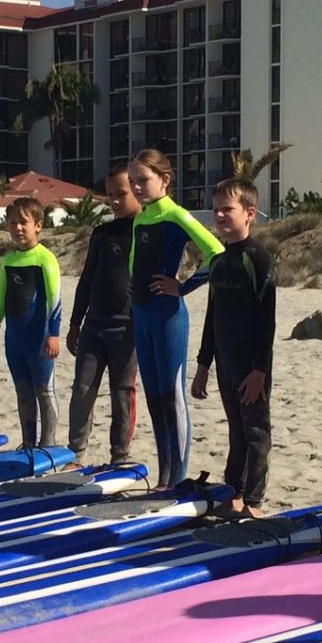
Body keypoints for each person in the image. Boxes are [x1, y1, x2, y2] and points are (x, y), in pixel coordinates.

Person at [127, 148, 224, 487]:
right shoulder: (141, 218)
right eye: (133, 182)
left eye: (143, 180)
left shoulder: (176, 215)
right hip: (143, 316)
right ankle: (165, 476)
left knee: (172, 396)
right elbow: (134, 266)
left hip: (168, 317)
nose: (137, 187)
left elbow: (217, 254)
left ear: (164, 180)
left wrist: (182, 287)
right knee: (154, 397)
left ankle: (179, 479)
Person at [190, 178, 276, 517]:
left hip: (251, 365)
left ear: (250, 213)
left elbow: (266, 321)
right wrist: (202, 365)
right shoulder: (220, 261)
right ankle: (234, 492)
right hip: (225, 364)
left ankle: (253, 501)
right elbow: (212, 318)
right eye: (216, 210)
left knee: (256, 433)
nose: (220, 216)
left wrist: (260, 370)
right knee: (236, 430)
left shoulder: (258, 259)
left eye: (228, 209)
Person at [66, 163, 139, 464]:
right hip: (94, 327)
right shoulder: (102, 233)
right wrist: (74, 323)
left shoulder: (146, 231)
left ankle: (120, 456)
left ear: (137, 189)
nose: (115, 201)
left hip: (127, 331)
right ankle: (75, 452)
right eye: (110, 195)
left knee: (122, 395)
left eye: (121, 193)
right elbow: (86, 279)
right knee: (82, 389)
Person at [0, 196, 62, 448]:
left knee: (45, 391)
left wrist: (54, 334)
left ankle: (47, 444)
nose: (17, 228)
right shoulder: (9, 261)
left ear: (38, 225)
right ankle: (28, 443)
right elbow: (0, 301)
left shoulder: (45, 258)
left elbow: (55, 300)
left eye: (23, 222)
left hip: (39, 339)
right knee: (23, 392)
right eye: (12, 222)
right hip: (14, 340)